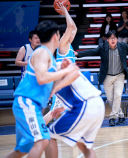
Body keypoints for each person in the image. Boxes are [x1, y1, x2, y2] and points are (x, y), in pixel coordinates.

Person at [4, 20, 79, 158]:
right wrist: (65, 71)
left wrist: (62, 72)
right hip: (26, 103)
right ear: (56, 36)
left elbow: (49, 86)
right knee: (42, 141)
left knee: (25, 149)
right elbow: (42, 77)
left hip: (33, 106)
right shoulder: (42, 53)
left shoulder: (48, 56)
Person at [77, 30, 128, 126]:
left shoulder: (122, 46)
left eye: (114, 38)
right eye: (110, 38)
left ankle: (112, 117)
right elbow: (91, 52)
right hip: (107, 77)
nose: (113, 40)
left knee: (118, 95)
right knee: (110, 99)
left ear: (117, 39)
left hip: (119, 76)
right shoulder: (102, 47)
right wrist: (78, 54)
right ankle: (121, 115)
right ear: (107, 40)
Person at [44, 59, 105, 158]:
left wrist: (55, 88)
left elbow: (74, 74)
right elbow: (75, 91)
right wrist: (62, 108)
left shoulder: (57, 67)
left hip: (86, 105)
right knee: (84, 145)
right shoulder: (50, 73)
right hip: (97, 104)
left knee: (48, 136)